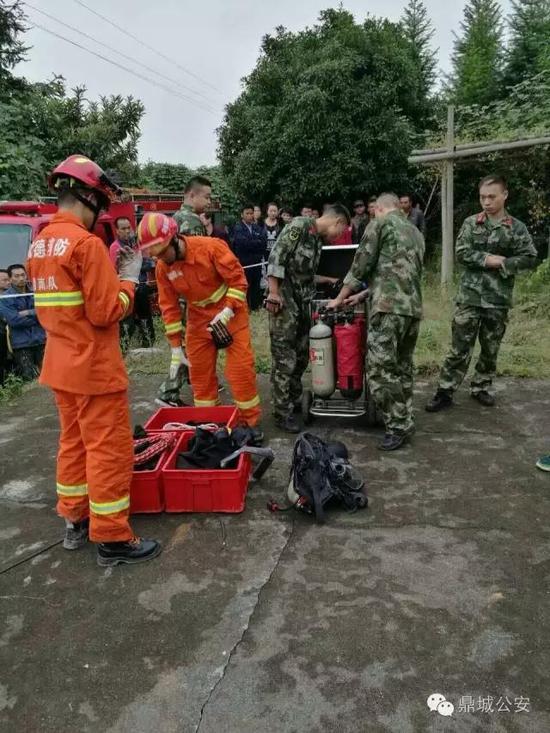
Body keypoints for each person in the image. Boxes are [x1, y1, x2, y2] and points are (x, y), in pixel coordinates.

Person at [26, 154, 161, 567]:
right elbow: (107, 311)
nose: (100, 213)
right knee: (108, 450)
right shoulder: (85, 245)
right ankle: (113, 538)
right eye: (100, 204)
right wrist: (129, 279)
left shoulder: (39, 245)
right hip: (93, 369)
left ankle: (75, 521)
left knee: (73, 443)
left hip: (61, 365)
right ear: (87, 196)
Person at [137, 213, 263, 441]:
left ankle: (250, 424)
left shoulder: (211, 248)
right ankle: (210, 423)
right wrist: (176, 347)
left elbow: (238, 280)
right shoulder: (163, 267)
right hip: (198, 319)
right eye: (156, 255)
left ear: (175, 238)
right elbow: (169, 307)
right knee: (200, 377)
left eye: (163, 252)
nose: (162, 259)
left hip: (230, 312)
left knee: (240, 372)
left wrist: (227, 311)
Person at [426, 175, 537, 412]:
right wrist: (487, 260)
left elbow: (529, 257)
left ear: (504, 195)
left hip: (498, 299)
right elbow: (462, 252)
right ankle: (445, 390)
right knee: (458, 347)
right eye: (482, 197)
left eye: (491, 196)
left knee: (490, 347)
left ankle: (481, 386)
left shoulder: (516, 227)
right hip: (469, 297)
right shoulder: (470, 223)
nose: (486, 202)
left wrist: (505, 263)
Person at [329, 193, 425, 451]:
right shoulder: (415, 232)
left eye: (374, 211)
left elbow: (360, 265)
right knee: (402, 367)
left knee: (380, 370)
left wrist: (339, 298)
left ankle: (397, 425)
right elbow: (395, 273)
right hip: (412, 310)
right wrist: (361, 295)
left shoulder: (379, 224)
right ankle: (406, 418)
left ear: (380, 209)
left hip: (388, 310)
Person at [266, 204, 350, 432]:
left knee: (302, 355)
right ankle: (281, 414)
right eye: (340, 232)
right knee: (285, 359)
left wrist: (329, 280)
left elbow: (306, 274)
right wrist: (273, 293)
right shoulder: (300, 226)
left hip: (303, 306)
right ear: (337, 222)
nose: (338, 237)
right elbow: (277, 257)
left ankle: (293, 401)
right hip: (284, 303)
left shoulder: (317, 240)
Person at [110, 217, 155, 349]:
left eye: (129, 228)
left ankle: (148, 341)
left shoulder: (136, 245)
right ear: (117, 231)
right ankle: (124, 346)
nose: (127, 231)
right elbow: (113, 271)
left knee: (145, 314)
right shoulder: (115, 248)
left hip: (140, 286)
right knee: (127, 319)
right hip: (125, 288)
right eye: (123, 228)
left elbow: (147, 263)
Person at [0, 264, 46, 381]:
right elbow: (14, 320)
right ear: (10, 279)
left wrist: (28, 312)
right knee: (30, 380)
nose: (21, 278)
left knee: (49, 376)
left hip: (41, 339)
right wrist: (37, 317)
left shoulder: (36, 292)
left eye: (23, 275)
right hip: (22, 344)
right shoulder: (6, 297)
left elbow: (46, 312)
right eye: (16, 276)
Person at [231, 204, 267, 311]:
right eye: (247, 213)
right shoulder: (238, 228)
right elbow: (242, 244)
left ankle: (255, 306)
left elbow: (263, 243)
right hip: (244, 262)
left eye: (251, 213)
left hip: (256, 261)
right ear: (242, 215)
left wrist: (253, 243)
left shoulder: (257, 228)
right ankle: (245, 307)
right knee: (245, 285)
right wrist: (255, 243)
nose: (250, 216)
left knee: (256, 284)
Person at [0, 268, 13, 384]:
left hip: (14, 341)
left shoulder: (14, 297)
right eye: (4, 280)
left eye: (9, 279)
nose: (8, 282)